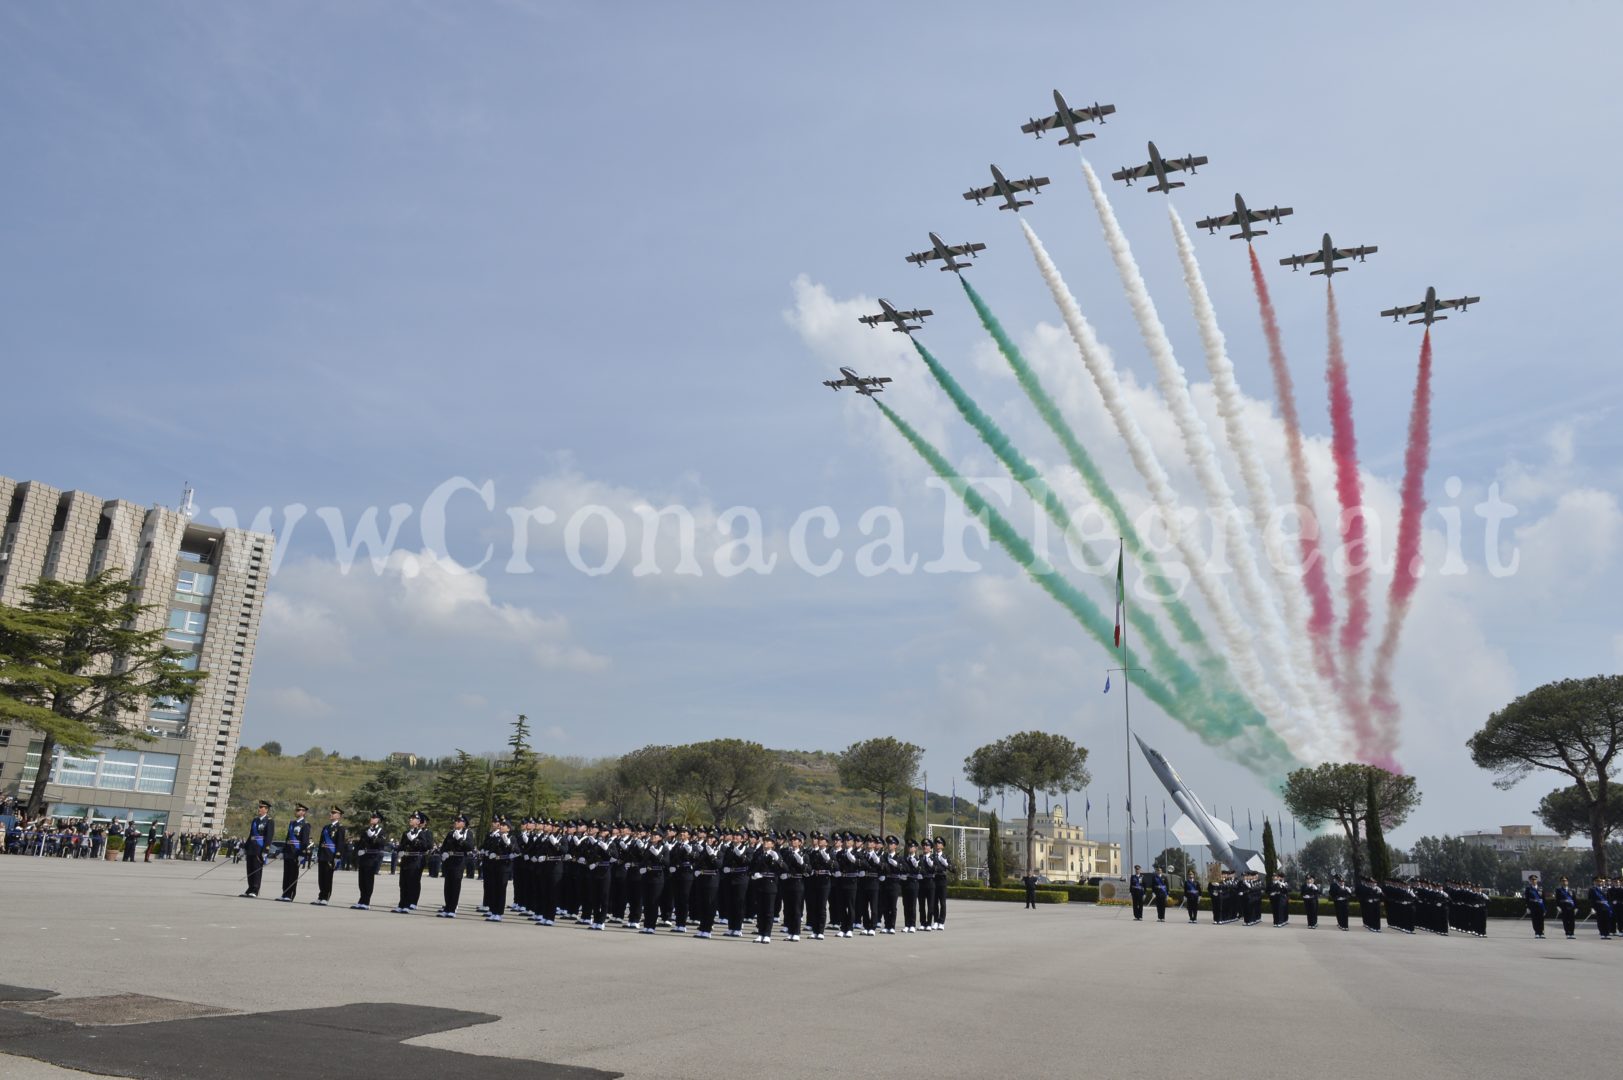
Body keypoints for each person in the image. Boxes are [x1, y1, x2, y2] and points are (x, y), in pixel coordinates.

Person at [394, 811, 433, 913]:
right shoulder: (406, 832)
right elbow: (401, 845)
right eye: (410, 818)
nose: (410, 820)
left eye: (413, 818)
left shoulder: (422, 833)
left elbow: (425, 846)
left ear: (418, 821)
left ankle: (408, 904)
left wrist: (415, 841)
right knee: (402, 883)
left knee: (411, 882)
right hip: (405, 860)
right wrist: (399, 850)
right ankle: (401, 904)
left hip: (415, 860)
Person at [438, 813, 475, 917]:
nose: (456, 822)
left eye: (459, 821)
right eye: (456, 820)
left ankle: (452, 909)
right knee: (447, 885)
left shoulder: (468, 833)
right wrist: (444, 853)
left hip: (459, 861)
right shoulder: (451, 833)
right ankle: (447, 907)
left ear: (464, 824)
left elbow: (470, 847)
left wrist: (460, 839)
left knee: (455, 885)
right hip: (449, 861)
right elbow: (444, 846)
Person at [750, 833, 783, 943]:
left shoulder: (776, 854)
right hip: (759, 884)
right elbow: (751, 868)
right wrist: (754, 874)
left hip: (770, 885)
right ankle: (760, 933)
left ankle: (767, 934)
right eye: (764, 840)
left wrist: (778, 860)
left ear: (773, 844)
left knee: (769, 911)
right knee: (760, 911)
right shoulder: (758, 854)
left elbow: (784, 869)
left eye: (768, 841)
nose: (765, 842)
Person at [481, 817, 515, 921]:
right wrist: (490, 853)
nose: (501, 826)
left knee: (501, 890)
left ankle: (499, 913)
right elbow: (491, 849)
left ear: (508, 828)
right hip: (495, 866)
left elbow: (516, 851)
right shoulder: (497, 837)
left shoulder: (512, 837)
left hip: (504, 867)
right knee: (494, 889)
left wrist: (508, 843)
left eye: (504, 825)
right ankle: (493, 911)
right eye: (501, 825)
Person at [352, 811, 386, 910]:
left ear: (378, 820)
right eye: (371, 817)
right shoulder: (366, 830)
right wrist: (358, 851)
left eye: (374, 817)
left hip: (372, 857)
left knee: (368, 880)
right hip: (364, 856)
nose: (371, 818)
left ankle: (366, 901)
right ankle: (361, 900)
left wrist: (373, 837)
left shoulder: (381, 831)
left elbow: (381, 843)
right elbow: (361, 842)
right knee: (361, 881)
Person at [313, 806, 346, 906]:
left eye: (334, 813)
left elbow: (340, 843)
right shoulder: (326, 827)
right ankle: (320, 896)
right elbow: (321, 842)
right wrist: (318, 855)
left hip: (331, 855)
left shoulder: (340, 828)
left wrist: (337, 856)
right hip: (323, 854)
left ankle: (325, 897)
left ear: (339, 816)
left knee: (327, 878)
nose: (331, 814)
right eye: (331, 813)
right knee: (321, 877)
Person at [242, 801, 273, 898]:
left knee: (256, 870)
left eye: (261, 807)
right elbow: (251, 835)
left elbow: (269, 837)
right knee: (250, 869)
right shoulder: (255, 820)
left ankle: (255, 889)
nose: (259, 809)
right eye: (259, 807)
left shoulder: (269, 821)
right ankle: (250, 888)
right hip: (251, 847)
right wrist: (244, 848)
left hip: (259, 848)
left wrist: (265, 851)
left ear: (266, 809)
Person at [1588, 875, 1614, 940]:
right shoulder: (1592, 890)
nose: (1599, 882)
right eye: (1597, 881)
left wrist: (1611, 907)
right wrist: (1592, 908)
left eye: (1600, 881)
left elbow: (1610, 899)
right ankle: (1602, 933)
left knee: (1607, 921)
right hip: (1598, 907)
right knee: (1600, 921)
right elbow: (1591, 900)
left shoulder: (1607, 889)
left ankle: (1606, 934)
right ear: (1594, 882)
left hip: (1606, 907)